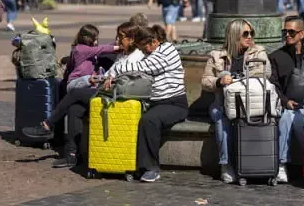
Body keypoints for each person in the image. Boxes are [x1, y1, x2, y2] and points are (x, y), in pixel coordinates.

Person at [23, 16, 148, 168]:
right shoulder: (123, 54)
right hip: (106, 91)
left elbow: (127, 77)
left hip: (116, 96)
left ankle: (47, 125)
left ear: (132, 39)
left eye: (121, 37)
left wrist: (109, 78)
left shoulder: (136, 57)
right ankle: (71, 155)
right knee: (74, 109)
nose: (118, 40)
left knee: (75, 93)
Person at [104, 25, 188, 182]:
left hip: (174, 103)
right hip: (154, 103)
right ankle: (125, 162)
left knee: (149, 120)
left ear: (154, 42)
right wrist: (112, 74)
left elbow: (141, 67)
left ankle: (151, 168)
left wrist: (115, 72)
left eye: (144, 47)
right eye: (141, 48)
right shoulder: (150, 53)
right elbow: (130, 65)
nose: (144, 51)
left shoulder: (167, 51)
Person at [201, 19, 269, 184]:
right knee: (221, 117)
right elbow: (205, 81)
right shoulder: (217, 55)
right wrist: (219, 81)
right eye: (245, 34)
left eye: (251, 33)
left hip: (249, 103)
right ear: (234, 35)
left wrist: (239, 78)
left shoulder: (258, 52)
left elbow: (266, 72)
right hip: (222, 103)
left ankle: (252, 164)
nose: (250, 37)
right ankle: (226, 165)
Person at [269, 16, 304, 183]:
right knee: (288, 117)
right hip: (288, 105)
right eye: (284, 31)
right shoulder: (276, 57)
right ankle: (282, 165)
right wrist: (285, 101)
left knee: (302, 119)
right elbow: (273, 85)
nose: (287, 35)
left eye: (291, 32)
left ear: (302, 34)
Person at [63, 24, 120, 92]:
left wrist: (118, 42)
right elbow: (102, 49)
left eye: (97, 39)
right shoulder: (80, 49)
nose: (96, 42)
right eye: (94, 39)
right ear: (86, 38)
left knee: (101, 79)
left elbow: (106, 46)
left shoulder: (90, 50)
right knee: (89, 78)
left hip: (86, 83)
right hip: (75, 83)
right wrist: (119, 47)